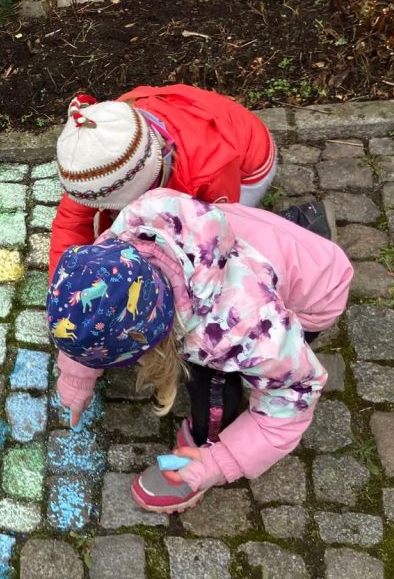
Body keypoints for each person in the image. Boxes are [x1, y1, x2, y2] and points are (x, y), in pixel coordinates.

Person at [48, 189, 352, 513]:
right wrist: (77, 371)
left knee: (212, 381)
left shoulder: (238, 329)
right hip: (267, 247)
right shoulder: (129, 235)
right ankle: (309, 229)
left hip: (317, 297)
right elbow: (91, 306)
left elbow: (296, 391)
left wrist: (219, 462)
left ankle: (202, 442)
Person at [50, 86, 334, 273]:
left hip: (248, 167)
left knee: (206, 249)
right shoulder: (98, 150)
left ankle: (297, 225)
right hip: (204, 138)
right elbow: (72, 219)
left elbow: (217, 231)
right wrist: (63, 287)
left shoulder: (208, 168)